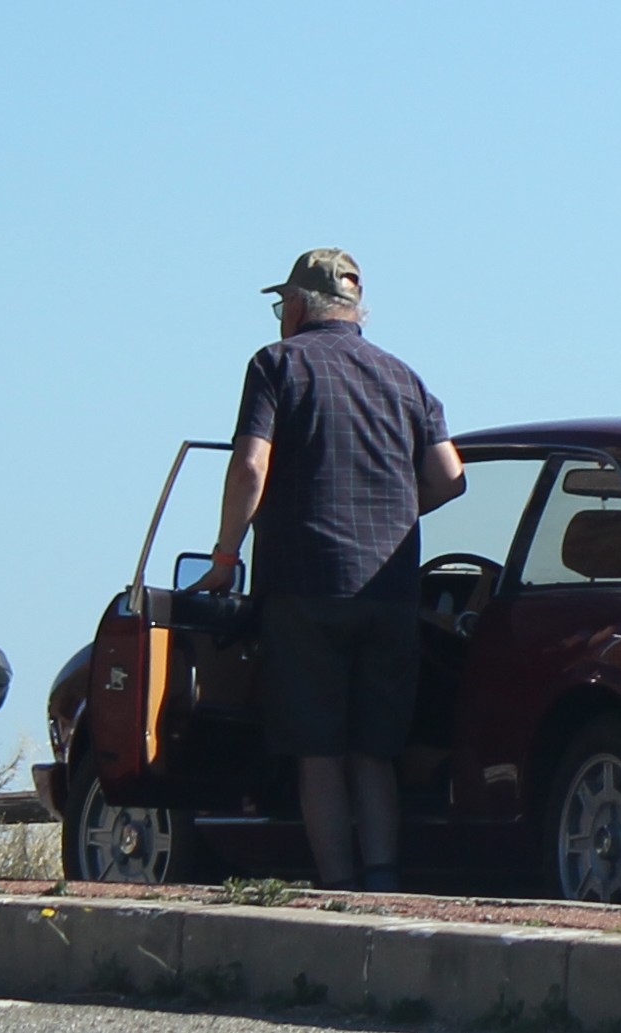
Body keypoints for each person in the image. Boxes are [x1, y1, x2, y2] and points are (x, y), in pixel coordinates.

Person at [192, 248, 466, 893]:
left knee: (318, 750)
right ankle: (382, 882)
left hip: (306, 582)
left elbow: (252, 465)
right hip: (392, 589)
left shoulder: (277, 364)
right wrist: (394, 509)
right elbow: (450, 478)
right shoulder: (405, 378)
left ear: (296, 305)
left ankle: (336, 887)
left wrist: (226, 556)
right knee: (374, 752)